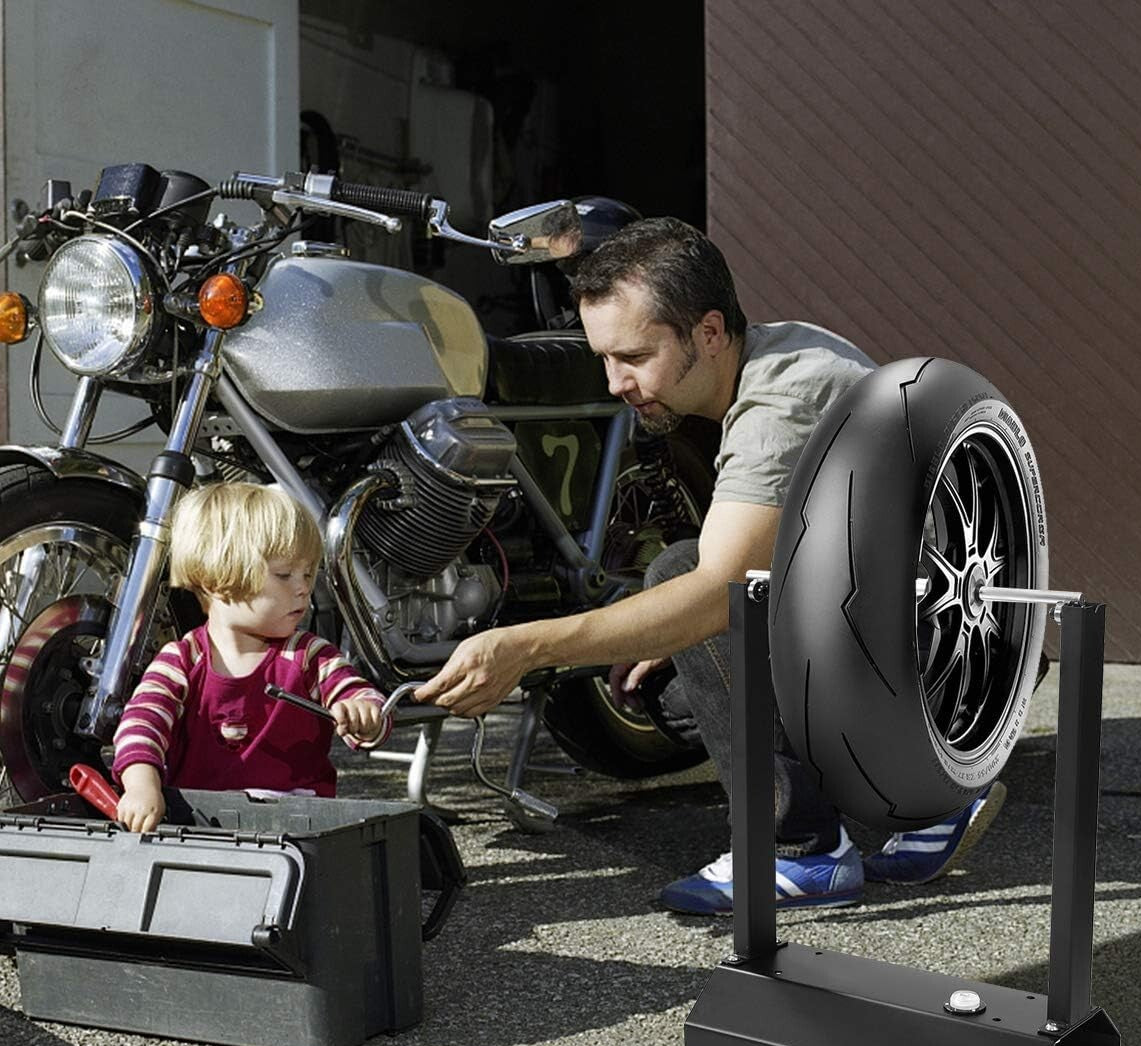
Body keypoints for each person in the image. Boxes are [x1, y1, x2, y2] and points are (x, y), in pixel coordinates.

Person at [413, 217, 1006, 913]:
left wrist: (526, 646)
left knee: (686, 583)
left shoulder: (782, 400)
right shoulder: (759, 357)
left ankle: (805, 851)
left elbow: (716, 591)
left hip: (945, 657)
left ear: (710, 332)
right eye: (604, 358)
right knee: (675, 684)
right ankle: (924, 800)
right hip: (910, 641)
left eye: (633, 356)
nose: (615, 383)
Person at [113, 482, 388, 833]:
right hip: (200, 826)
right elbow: (141, 726)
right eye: (284, 575)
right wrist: (141, 786)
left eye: (308, 573)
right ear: (217, 579)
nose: (303, 587)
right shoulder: (181, 661)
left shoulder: (308, 656)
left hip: (295, 829)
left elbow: (355, 693)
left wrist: (365, 713)